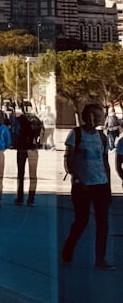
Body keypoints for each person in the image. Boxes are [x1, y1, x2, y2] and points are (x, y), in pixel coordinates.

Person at [61, 103, 114, 270]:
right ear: (85, 117)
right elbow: (68, 160)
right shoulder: (75, 134)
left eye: (98, 116)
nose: (96, 119)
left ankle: (100, 258)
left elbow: (104, 161)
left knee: (102, 222)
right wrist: (76, 178)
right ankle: (68, 250)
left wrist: (108, 185)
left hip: (100, 184)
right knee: (81, 221)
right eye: (93, 115)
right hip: (82, 185)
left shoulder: (102, 137)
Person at [11, 107, 42, 206]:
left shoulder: (19, 120)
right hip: (33, 149)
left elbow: (14, 132)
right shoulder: (36, 120)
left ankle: (20, 198)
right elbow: (42, 134)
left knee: (21, 173)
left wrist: (14, 144)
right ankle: (31, 199)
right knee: (33, 175)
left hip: (22, 148)